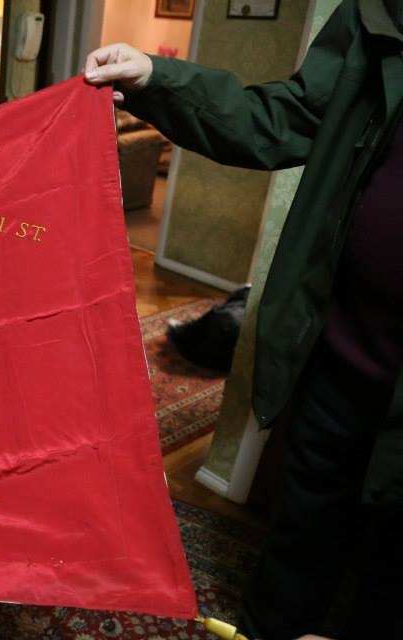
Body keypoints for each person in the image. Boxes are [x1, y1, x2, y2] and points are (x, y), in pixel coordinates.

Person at [85, 1, 403, 639]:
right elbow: (289, 116)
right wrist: (157, 78)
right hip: (337, 355)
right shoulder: (379, 10)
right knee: (298, 545)